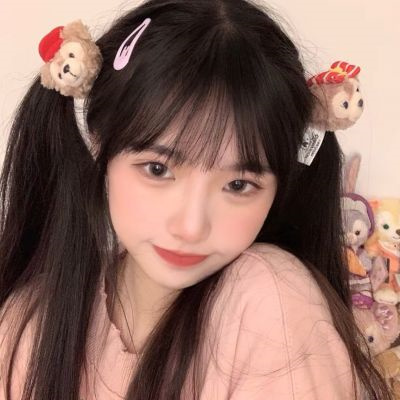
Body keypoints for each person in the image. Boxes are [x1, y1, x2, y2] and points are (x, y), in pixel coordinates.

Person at [0, 0, 393, 399]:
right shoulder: (28, 326)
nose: (190, 227)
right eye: (157, 169)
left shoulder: (266, 301)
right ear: (97, 144)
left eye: (238, 185)